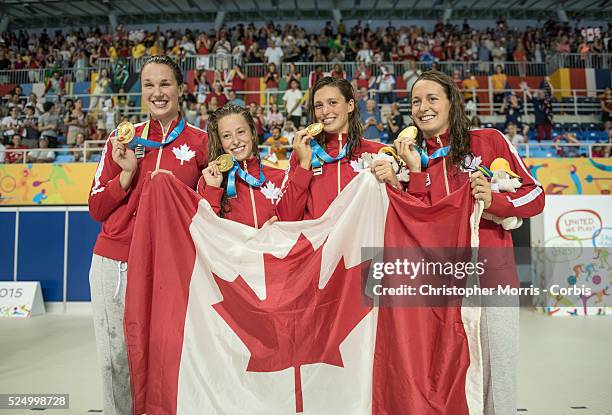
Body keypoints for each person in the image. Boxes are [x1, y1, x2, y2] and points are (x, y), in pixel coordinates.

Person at [390, 70, 544, 415]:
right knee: (444, 374)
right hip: (439, 283)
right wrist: (414, 175)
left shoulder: (487, 141)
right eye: (416, 101)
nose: (422, 107)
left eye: (432, 99)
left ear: (450, 102)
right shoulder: (410, 157)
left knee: (496, 374)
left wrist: (495, 202)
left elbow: (535, 194)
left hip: (491, 277)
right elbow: (418, 221)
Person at [87, 55, 209, 415]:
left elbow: (211, 206)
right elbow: (96, 207)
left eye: (165, 84)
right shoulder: (121, 138)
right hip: (117, 262)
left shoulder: (202, 142)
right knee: (116, 361)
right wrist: (126, 175)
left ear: (181, 89)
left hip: (171, 267)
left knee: (170, 355)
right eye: (150, 85)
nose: (158, 93)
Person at [279, 77, 388, 220]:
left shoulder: (379, 152)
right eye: (318, 105)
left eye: (333, 103)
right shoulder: (303, 153)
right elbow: (286, 217)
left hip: (361, 241)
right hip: (316, 242)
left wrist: (395, 184)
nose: (325, 111)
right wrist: (304, 166)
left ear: (350, 105)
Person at [199, 104, 305, 227]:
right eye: (227, 135)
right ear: (220, 141)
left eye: (241, 132)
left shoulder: (280, 177)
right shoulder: (209, 181)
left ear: (252, 133)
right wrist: (213, 190)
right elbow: (206, 232)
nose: (236, 141)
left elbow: (295, 223)